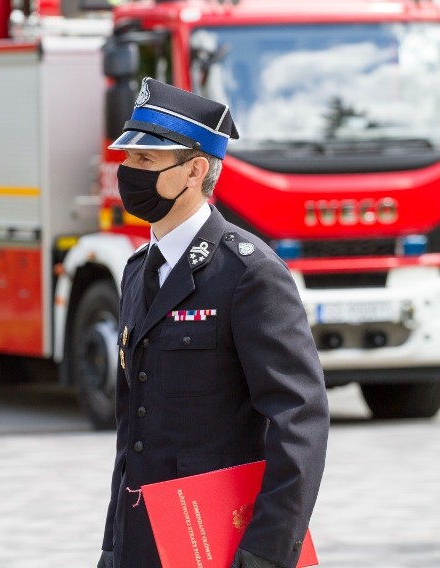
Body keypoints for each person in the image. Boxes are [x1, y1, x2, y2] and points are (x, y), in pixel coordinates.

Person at [97, 79, 329, 568]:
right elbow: (131, 432)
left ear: (194, 170)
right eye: (127, 159)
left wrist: (266, 552)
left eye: (145, 161)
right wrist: (112, 546)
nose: (128, 173)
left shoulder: (249, 273)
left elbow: (299, 421)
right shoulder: (139, 270)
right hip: (141, 541)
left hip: (216, 541)